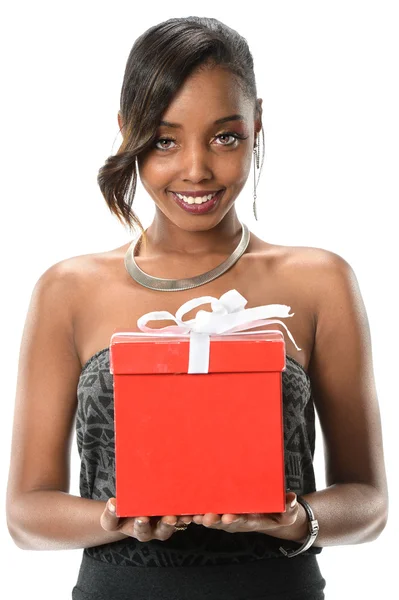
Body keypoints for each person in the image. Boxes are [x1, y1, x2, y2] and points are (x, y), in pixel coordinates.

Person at [6, 15, 388, 600]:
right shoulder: (68, 289)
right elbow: (26, 515)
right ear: (127, 133)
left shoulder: (320, 282)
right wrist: (116, 518)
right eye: (164, 139)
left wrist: (294, 519)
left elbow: (369, 503)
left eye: (224, 136)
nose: (196, 169)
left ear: (257, 125)